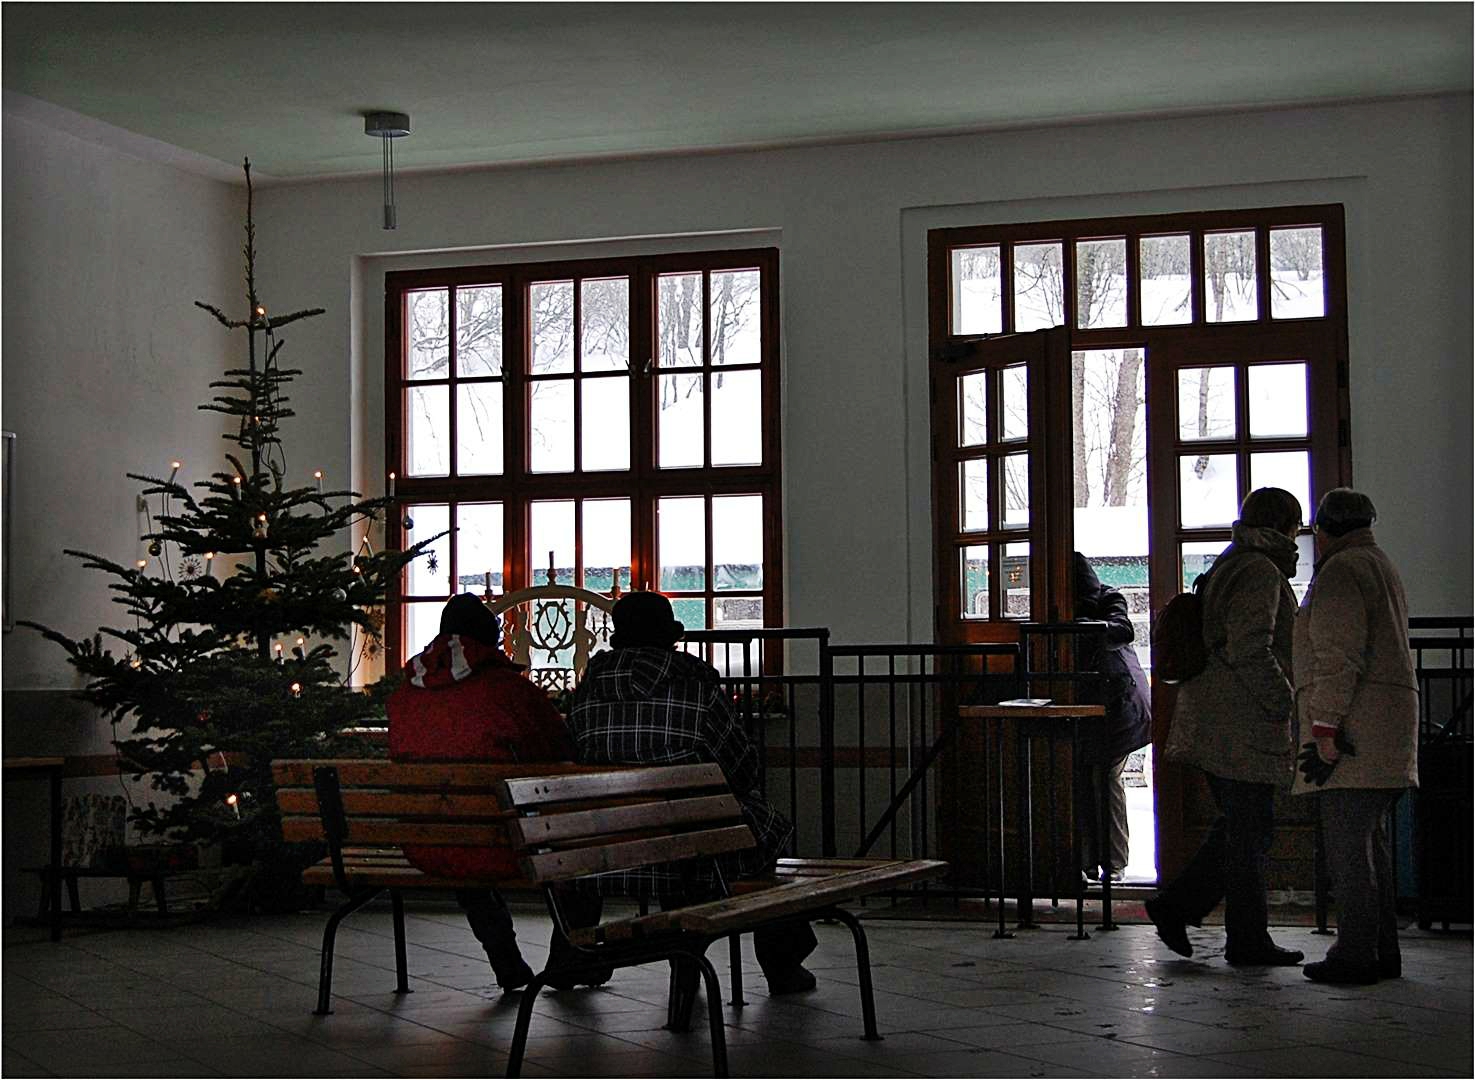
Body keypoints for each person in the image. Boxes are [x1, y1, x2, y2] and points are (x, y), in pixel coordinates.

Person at [566, 591, 819, 996]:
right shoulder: (696, 690)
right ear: (672, 636)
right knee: (762, 835)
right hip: (690, 852)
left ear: (616, 637)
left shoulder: (587, 694)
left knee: (731, 834)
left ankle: (571, 959)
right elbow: (740, 769)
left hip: (605, 849)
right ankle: (782, 962)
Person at [386, 593, 582, 994]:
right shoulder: (509, 690)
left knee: (461, 837)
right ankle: (568, 961)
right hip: (504, 843)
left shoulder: (405, 693)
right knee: (572, 853)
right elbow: (559, 751)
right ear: (490, 639)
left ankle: (505, 960)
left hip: (427, 842)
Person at [1149, 487, 1305, 966]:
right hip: (1241, 722)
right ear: (1287, 526)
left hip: (1219, 718)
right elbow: (1249, 647)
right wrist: (1284, 701)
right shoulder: (1260, 569)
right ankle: (1242, 938)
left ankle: (1193, 914)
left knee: (1242, 829)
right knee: (1249, 832)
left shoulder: (1233, 561)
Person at [1292, 489, 1418, 985]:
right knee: (1372, 846)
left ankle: (1355, 954)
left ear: (1324, 529)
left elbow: (1338, 656)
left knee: (1348, 847)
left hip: (1356, 728)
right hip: (1386, 723)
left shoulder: (1342, 571)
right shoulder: (1379, 562)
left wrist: (1325, 728)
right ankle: (1382, 951)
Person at [1073, 553, 1152, 883]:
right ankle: (1100, 862)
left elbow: (1123, 629)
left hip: (1117, 706)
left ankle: (1109, 863)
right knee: (1097, 780)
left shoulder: (1105, 599)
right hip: (1108, 703)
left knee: (1101, 778)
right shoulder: (1107, 597)